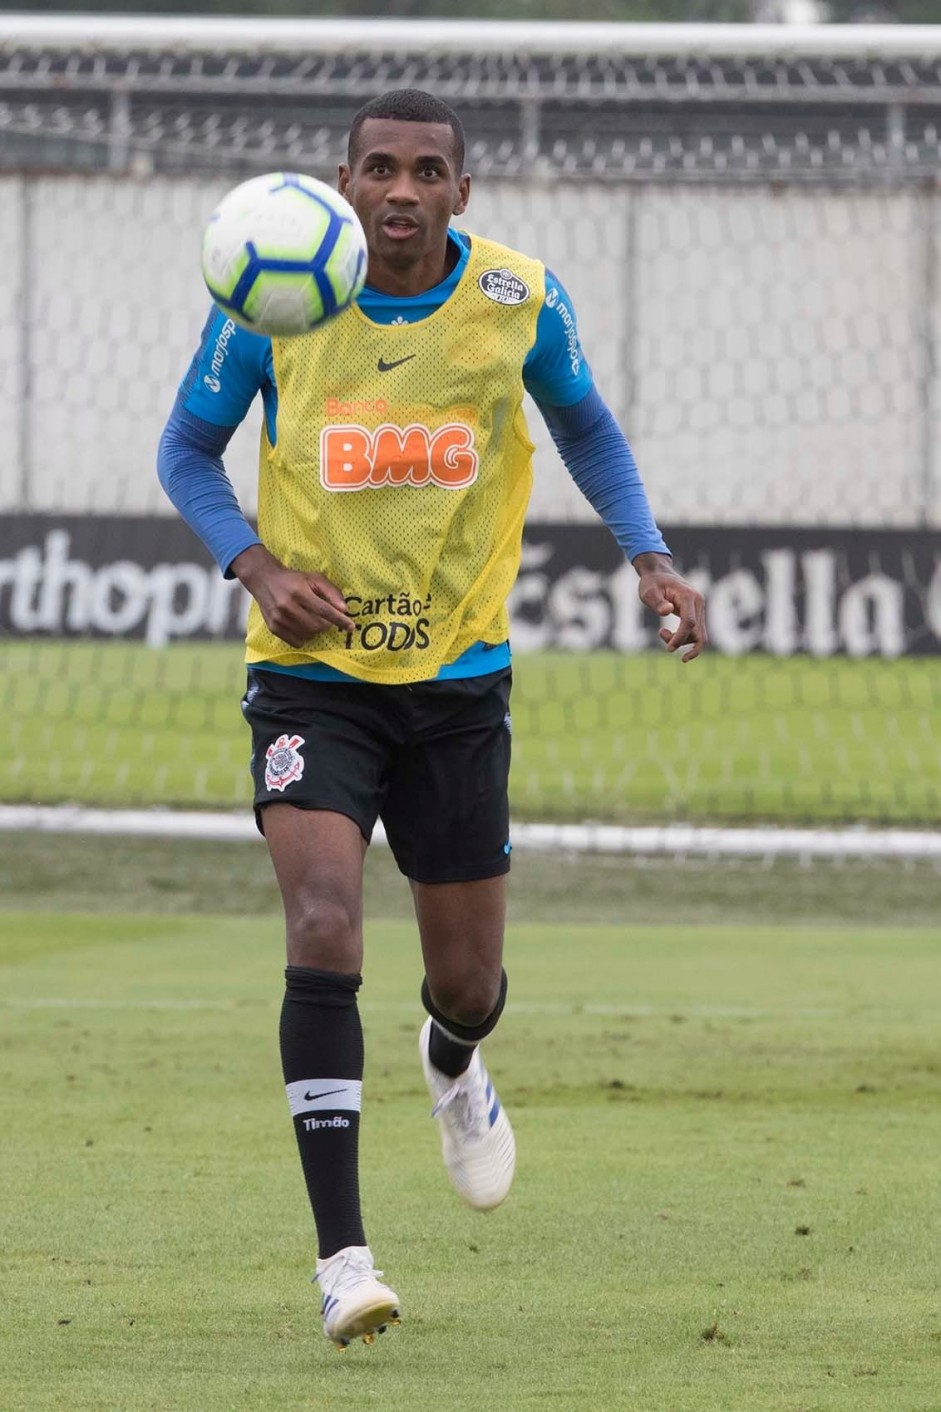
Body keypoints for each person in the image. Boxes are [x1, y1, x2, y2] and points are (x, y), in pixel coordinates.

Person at [157, 87, 706, 1351]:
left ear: (462, 192)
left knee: (468, 979)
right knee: (324, 918)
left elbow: (583, 425)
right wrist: (254, 566)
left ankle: (453, 1059)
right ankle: (343, 1259)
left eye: (425, 172)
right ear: (341, 184)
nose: (399, 190)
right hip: (310, 679)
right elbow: (185, 452)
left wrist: (649, 556)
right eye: (377, 169)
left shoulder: (516, 298)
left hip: (458, 687)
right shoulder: (271, 300)